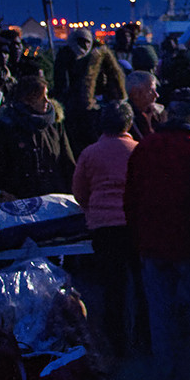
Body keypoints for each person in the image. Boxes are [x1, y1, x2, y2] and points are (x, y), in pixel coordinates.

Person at [123, 89, 190, 380]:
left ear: (170, 113)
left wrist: (138, 238)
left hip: (153, 245)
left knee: (161, 317)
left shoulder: (145, 147)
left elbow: (131, 198)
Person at [72, 101, 139, 356]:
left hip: (103, 227)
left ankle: (116, 342)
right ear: (129, 124)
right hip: (133, 224)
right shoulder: (137, 150)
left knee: (112, 286)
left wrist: (93, 209)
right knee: (140, 284)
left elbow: (79, 191)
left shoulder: (90, 153)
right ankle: (143, 337)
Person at [0, 73, 75, 200]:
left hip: (53, 196)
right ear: (27, 99)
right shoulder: (8, 126)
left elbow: (67, 161)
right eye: (41, 97)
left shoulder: (54, 125)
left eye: (47, 95)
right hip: (21, 197)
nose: (47, 101)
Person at [125, 70, 164, 141]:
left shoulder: (158, 113)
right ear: (135, 93)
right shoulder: (124, 117)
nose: (156, 95)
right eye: (151, 91)